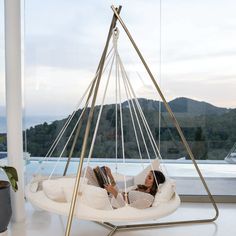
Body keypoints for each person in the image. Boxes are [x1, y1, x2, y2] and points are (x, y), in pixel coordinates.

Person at [83, 166, 165, 209]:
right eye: (147, 176)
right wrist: (110, 176)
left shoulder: (148, 199)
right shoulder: (140, 188)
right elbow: (119, 192)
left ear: (155, 183)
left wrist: (113, 192)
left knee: (86, 173)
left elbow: (127, 209)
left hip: (108, 202)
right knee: (88, 170)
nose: (146, 179)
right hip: (110, 195)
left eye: (149, 178)